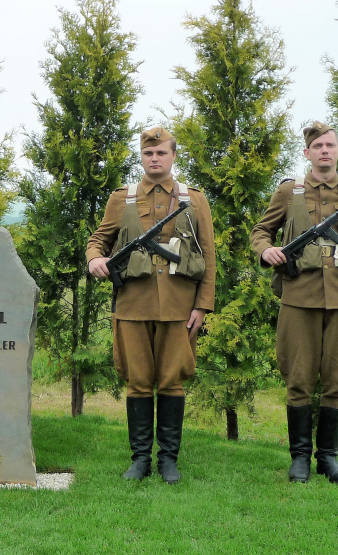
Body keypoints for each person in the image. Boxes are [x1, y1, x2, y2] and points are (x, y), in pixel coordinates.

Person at [87, 128, 216, 484]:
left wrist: (202, 306)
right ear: (141, 158)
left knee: (172, 383)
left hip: (179, 306)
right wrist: (94, 259)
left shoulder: (194, 199)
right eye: (148, 154)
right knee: (139, 382)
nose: (154, 159)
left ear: (174, 156)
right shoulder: (122, 199)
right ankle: (140, 459)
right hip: (133, 304)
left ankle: (168, 460)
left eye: (161, 153)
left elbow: (209, 255)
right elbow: (99, 240)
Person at [250, 121, 338, 484]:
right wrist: (267, 250)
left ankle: (329, 459)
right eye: (317, 145)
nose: (324, 150)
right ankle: (300, 459)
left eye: (330, 145)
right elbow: (261, 231)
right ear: (307, 153)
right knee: (299, 379)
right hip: (299, 298)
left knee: (337, 380)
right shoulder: (290, 192)